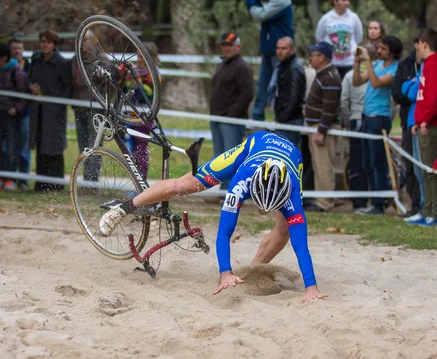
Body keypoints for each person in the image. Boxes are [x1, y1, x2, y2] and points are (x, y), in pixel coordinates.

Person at [99, 131, 327, 303]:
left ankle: (253, 271)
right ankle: (124, 207)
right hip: (255, 147)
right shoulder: (241, 181)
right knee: (186, 184)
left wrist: (311, 287)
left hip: (291, 159)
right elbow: (224, 231)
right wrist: (224, 273)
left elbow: (301, 245)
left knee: (286, 228)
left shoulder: (293, 193)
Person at [352, 36, 402, 215]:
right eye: (378, 47)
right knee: (367, 161)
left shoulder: (394, 69)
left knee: (377, 161)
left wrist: (368, 62)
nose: (378, 51)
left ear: (392, 52)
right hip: (367, 116)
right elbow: (357, 81)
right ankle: (374, 201)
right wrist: (357, 63)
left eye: (383, 48)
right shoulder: (379, 65)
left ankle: (379, 203)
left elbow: (376, 83)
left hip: (379, 117)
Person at [244, 0, 293, 122]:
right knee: (262, 87)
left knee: (280, 87)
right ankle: (257, 119)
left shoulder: (281, 0)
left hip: (280, 52)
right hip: (270, 50)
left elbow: (261, 15)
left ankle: (281, 119)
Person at [413, 27, 437, 226]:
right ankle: (427, 210)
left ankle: (436, 213)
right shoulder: (429, 65)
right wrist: (418, 121)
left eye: (419, 45)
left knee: (432, 171)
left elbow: (434, 97)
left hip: (433, 126)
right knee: (426, 171)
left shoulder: (434, 65)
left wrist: (425, 119)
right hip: (425, 124)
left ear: (424, 44)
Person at [209, 32, 254, 189]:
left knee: (231, 159)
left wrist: (232, 114)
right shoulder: (223, 64)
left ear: (238, 47)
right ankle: (222, 190)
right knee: (219, 159)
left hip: (230, 121)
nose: (226, 48)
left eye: (229, 45)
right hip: (217, 117)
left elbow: (248, 93)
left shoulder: (242, 67)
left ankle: (230, 191)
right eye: (224, 45)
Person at [28, 30, 72, 192]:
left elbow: (68, 87)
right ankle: (41, 184)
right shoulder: (36, 59)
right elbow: (30, 77)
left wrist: (58, 103)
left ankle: (55, 184)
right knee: (40, 145)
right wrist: (31, 87)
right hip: (38, 110)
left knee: (53, 147)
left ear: (54, 44)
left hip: (54, 112)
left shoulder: (61, 63)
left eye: (48, 42)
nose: (44, 44)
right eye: (42, 41)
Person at [303, 42, 341, 212]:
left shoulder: (330, 77)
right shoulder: (323, 74)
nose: (310, 57)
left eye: (313, 54)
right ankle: (320, 198)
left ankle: (325, 202)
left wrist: (321, 130)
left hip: (322, 127)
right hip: (315, 125)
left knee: (324, 165)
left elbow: (329, 107)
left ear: (322, 57)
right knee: (318, 165)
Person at [341, 45, 376, 210]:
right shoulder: (374, 73)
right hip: (364, 119)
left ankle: (359, 201)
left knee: (358, 162)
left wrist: (347, 120)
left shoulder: (350, 75)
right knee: (368, 160)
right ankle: (370, 200)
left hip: (357, 120)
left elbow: (343, 101)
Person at [71, 30, 107, 182]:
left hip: (96, 108)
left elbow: (109, 82)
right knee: (83, 145)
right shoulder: (75, 59)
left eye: (86, 40)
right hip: (79, 107)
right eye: (81, 40)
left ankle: (92, 182)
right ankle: (86, 180)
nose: (83, 43)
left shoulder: (101, 59)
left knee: (95, 145)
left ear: (92, 41)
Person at [392, 37, 421, 218]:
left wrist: (410, 90)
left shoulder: (431, 65)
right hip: (407, 121)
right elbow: (398, 93)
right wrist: (412, 95)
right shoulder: (405, 65)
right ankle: (414, 205)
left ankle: (426, 207)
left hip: (424, 122)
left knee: (423, 168)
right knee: (409, 166)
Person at [126, 42, 161, 180]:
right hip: (131, 114)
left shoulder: (154, 74)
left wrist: (134, 76)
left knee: (141, 150)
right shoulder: (137, 72)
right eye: (138, 56)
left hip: (145, 117)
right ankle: (136, 182)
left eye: (142, 57)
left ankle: (142, 182)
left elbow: (143, 93)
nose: (139, 60)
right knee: (132, 151)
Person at [315, 0, 363, 80]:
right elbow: (319, 37)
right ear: (335, 2)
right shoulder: (326, 18)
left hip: (349, 62)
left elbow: (358, 37)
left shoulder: (354, 18)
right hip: (331, 63)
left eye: (348, 0)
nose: (347, 3)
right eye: (344, 0)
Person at [0, 43, 29, 190]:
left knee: (11, 148)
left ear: (3, 58)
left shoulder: (17, 72)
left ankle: (10, 178)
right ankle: (2, 177)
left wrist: (15, 108)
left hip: (11, 116)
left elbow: (24, 95)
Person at [271, 37, 305, 148]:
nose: (280, 51)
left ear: (292, 49)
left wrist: (282, 118)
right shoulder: (281, 67)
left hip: (291, 120)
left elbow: (295, 98)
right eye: (278, 48)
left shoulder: (294, 68)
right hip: (283, 118)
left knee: (288, 155)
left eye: (284, 48)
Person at [9, 38, 31, 189]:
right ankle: (9, 179)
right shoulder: (5, 67)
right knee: (9, 147)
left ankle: (22, 181)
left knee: (24, 148)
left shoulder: (29, 66)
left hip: (25, 113)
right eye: (14, 48)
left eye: (20, 48)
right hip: (8, 113)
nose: (17, 51)